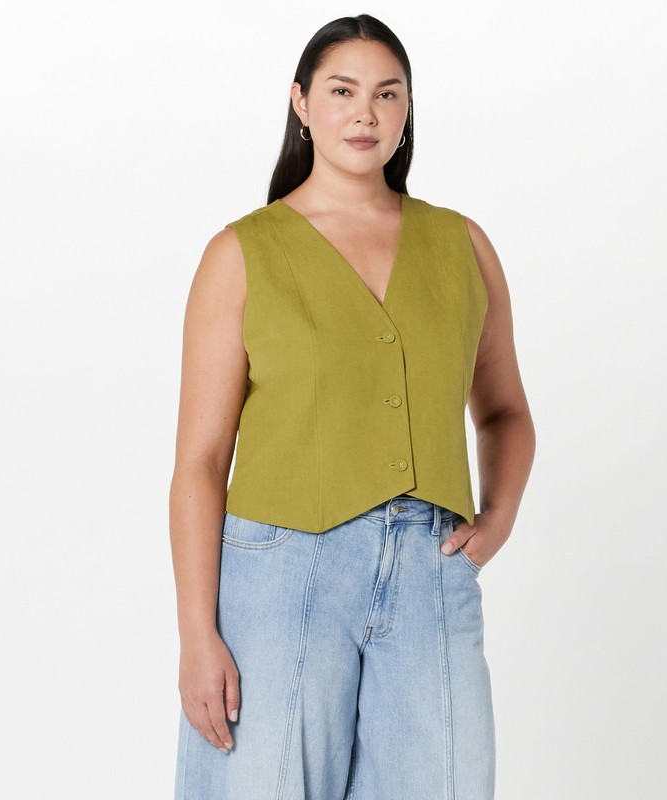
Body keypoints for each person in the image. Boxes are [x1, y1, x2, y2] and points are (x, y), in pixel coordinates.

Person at [169, 13, 535, 800]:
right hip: (280, 574)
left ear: (407, 109)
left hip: (431, 573)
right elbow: (200, 460)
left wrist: (499, 517)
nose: (365, 113)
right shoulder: (241, 253)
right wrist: (198, 636)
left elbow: (504, 410)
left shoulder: (463, 245)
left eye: (386, 93)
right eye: (342, 91)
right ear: (301, 103)